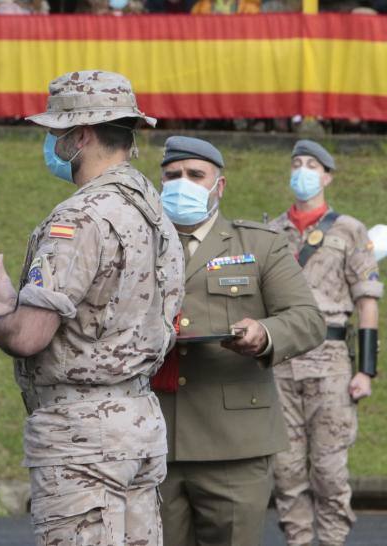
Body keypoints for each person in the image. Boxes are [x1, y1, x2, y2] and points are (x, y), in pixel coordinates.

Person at [0, 70, 185, 546]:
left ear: (81, 135)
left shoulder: (79, 217)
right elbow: (102, 312)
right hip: (137, 421)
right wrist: (15, 303)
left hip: (81, 438)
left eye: (57, 132)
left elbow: (31, 336)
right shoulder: (153, 211)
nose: (52, 143)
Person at [153, 136, 326, 546]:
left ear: (220, 186)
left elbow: (308, 319)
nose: (183, 184)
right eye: (172, 176)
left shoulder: (259, 245)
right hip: (152, 438)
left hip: (233, 443)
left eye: (196, 175)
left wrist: (265, 334)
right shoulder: (139, 246)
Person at [268, 140, 382, 546]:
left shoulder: (349, 230)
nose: (303, 170)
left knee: (330, 471)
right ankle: (298, 541)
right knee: (286, 470)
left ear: (328, 175)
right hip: (281, 363)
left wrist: (365, 370)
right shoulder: (272, 231)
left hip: (331, 359)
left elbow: (367, 301)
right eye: (297, 163)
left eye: (312, 164)